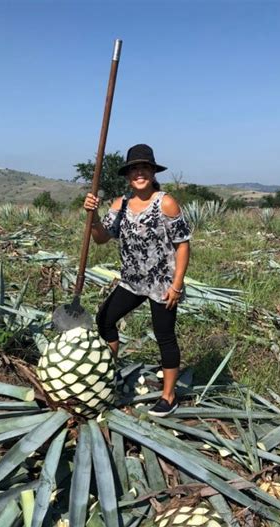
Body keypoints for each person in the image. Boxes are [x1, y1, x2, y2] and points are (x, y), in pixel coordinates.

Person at [84, 144, 191, 417]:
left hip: (161, 284)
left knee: (164, 335)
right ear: (128, 175)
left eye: (144, 168)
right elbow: (101, 238)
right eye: (134, 168)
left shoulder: (165, 203)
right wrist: (93, 217)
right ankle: (109, 373)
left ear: (153, 172)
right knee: (104, 319)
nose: (139, 172)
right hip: (131, 281)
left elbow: (182, 245)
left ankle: (169, 396)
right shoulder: (120, 205)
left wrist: (177, 285)